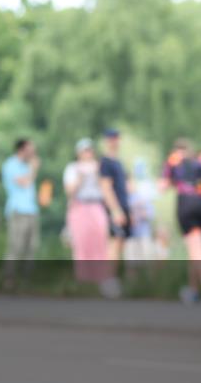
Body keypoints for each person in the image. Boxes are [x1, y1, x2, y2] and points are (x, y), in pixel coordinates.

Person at [160, 139, 201, 306]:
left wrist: (171, 180)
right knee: (194, 247)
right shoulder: (200, 162)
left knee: (197, 248)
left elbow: (162, 186)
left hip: (187, 203)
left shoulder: (174, 161)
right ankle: (193, 290)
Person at [64, 138, 121, 298]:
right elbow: (70, 191)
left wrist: (97, 174)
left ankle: (100, 281)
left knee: (100, 244)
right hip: (80, 206)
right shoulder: (73, 168)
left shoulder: (99, 167)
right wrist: (81, 177)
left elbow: (106, 188)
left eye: (89, 150)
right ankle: (83, 281)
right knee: (81, 245)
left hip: (96, 206)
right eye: (84, 150)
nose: (87, 153)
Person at [1, 138, 40, 289]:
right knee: (15, 247)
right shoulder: (11, 165)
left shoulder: (26, 166)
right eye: (31, 150)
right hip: (18, 211)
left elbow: (29, 189)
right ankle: (9, 280)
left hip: (32, 211)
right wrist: (34, 168)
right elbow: (24, 183)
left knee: (32, 247)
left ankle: (27, 280)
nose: (34, 153)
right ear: (22, 149)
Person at [99, 128, 131, 262]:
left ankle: (114, 277)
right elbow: (106, 188)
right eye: (111, 139)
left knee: (122, 243)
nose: (114, 142)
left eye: (116, 138)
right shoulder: (105, 162)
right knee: (114, 242)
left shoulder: (118, 162)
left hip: (123, 205)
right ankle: (108, 279)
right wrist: (115, 210)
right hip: (115, 208)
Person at [123, 159, 158, 262]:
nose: (128, 185)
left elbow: (151, 214)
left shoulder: (141, 197)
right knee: (131, 261)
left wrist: (142, 213)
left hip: (144, 234)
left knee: (147, 259)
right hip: (130, 236)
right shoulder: (124, 199)